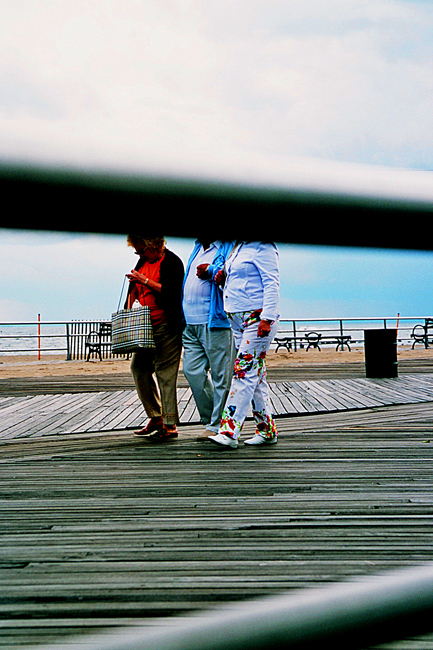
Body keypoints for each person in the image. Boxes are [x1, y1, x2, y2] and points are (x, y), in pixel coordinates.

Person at [208, 241, 280, 448]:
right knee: (256, 377)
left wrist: (267, 318)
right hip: (237, 318)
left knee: (243, 372)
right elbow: (242, 282)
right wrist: (223, 280)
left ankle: (229, 432)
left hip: (257, 318)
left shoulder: (263, 247)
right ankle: (266, 431)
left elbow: (271, 283)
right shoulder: (237, 249)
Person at [125, 235, 184, 441]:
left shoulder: (172, 262)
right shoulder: (143, 261)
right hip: (145, 326)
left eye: (142, 250)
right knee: (138, 368)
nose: (139, 254)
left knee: (165, 373)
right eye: (137, 251)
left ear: (154, 246)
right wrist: (132, 296)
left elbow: (173, 292)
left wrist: (145, 281)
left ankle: (170, 424)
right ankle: (155, 416)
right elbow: (135, 286)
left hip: (167, 323)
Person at [182, 239, 236, 436]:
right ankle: (215, 419)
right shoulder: (197, 248)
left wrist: (212, 270)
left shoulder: (226, 246)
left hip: (215, 321)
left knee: (221, 375)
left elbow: (234, 274)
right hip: (190, 323)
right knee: (191, 370)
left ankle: (216, 426)